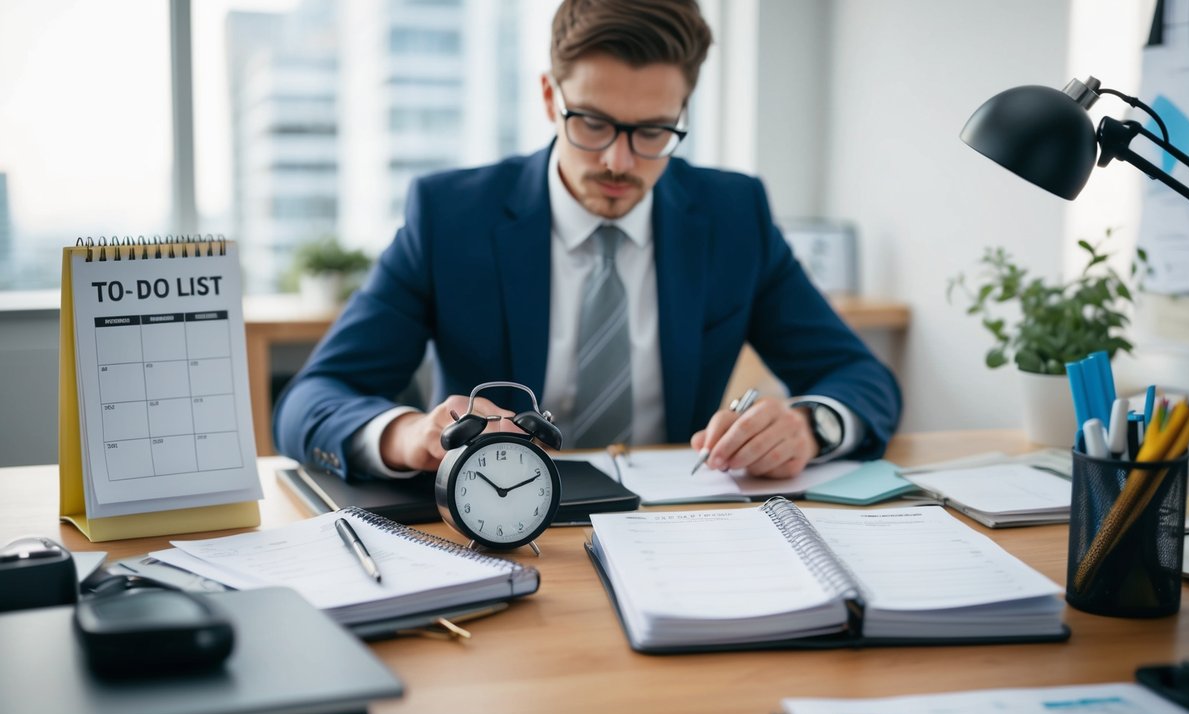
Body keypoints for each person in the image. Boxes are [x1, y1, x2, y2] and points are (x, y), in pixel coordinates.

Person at [273, 0, 901, 482]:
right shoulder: (450, 217)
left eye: (653, 130)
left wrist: (808, 426)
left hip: (677, 526)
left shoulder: (734, 214)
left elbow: (859, 376)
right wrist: (409, 435)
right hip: (494, 525)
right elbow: (312, 400)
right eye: (593, 123)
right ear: (551, 97)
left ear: (682, 111)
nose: (619, 162)